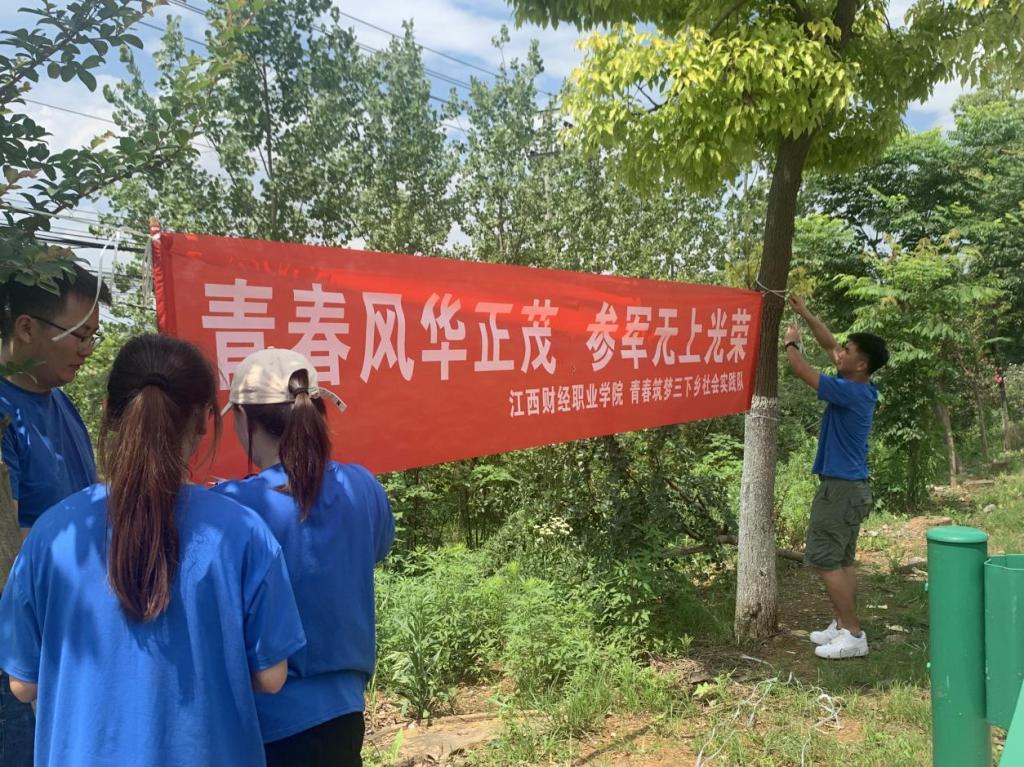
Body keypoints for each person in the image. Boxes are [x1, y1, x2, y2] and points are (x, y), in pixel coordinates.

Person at [0, 334, 307, 766]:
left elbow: (23, 684)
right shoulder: (243, 533)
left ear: (109, 412)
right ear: (203, 421)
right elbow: (271, 676)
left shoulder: (52, 535)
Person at [213, 348, 395, 767]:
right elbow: (376, 549)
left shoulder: (232, 506)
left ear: (242, 418)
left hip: (266, 725)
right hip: (345, 715)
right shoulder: (362, 486)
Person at [0, 261, 109, 767]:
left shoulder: (62, 405)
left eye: (93, 336)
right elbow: (9, 546)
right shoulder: (5, 416)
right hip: (18, 653)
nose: (88, 350)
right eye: (79, 335)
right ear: (26, 327)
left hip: (69, 638)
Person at [784, 295, 889, 660]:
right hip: (851, 488)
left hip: (841, 490)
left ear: (861, 365)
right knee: (843, 561)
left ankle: (854, 634)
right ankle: (843, 625)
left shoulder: (849, 391)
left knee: (824, 559)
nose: (839, 353)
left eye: (848, 352)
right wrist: (805, 313)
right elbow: (829, 343)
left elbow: (801, 370)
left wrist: (791, 342)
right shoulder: (861, 384)